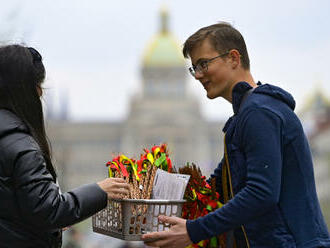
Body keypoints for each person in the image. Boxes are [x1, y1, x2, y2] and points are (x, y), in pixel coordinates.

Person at [142, 22, 330, 247]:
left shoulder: (259, 113)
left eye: (204, 64)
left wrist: (193, 231)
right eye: (194, 68)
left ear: (233, 58)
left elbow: (261, 194)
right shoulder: (246, 116)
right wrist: (146, 194)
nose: (198, 75)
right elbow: (214, 190)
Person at [0, 44, 130, 248]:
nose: (40, 93)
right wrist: (100, 191)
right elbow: (48, 210)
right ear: (27, 91)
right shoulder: (21, 145)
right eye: (38, 87)